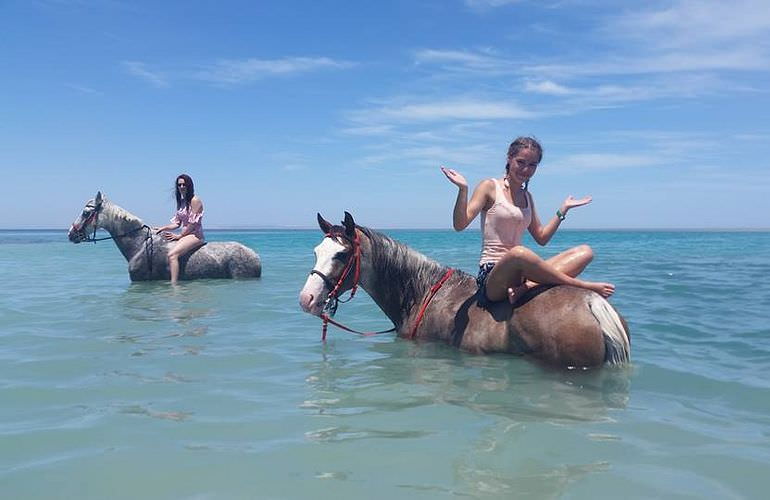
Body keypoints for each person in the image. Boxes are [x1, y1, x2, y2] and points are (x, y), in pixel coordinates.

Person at [441, 136, 614, 305]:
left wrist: (563, 210)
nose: (526, 170)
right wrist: (463, 189)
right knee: (519, 252)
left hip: (521, 274)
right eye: (521, 162)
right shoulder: (489, 186)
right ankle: (584, 286)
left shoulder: (527, 198)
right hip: (493, 275)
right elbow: (460, 225)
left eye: (532, 165)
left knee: (585, 252)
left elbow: (541, 238)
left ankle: (528, 286)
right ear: (510, 159)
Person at [153, 174, 205, 284]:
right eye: (179, 184)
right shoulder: (181, 202)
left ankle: (174, 285)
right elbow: (177, 223)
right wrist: (162, 228)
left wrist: (179, 236)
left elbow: (192, 224)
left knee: (172, 255)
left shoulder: (195, 200)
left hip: (195, 235)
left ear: (189, 185)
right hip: (186, 235)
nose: (182, 187)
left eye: (184, 184)